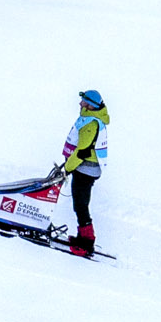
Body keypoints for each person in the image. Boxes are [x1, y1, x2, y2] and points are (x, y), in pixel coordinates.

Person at [51, 88, 108, 251]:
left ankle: (87, 241)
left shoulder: (90, 124)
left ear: (90, 106)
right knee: (80, 204)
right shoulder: (89, 119)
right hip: (84, 169)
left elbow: (82, 151)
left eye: (83, 101)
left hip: (85, 170)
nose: (80, 103)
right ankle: (83, 237)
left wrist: (67, 169)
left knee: (80, 205)